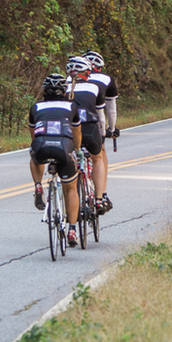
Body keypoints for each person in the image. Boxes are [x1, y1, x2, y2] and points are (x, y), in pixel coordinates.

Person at [28, 74, 82, 248]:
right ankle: (72, 229)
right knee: (71, 188)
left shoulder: (35, 107)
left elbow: (33, 134)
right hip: (64, 147)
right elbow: (77, 133)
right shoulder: (71, 106)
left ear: (44, 90)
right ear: (64, 90)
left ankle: (37, 184)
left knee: (34, 152)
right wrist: (78, 151)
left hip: (42, 145)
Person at [67, 55, 109, 224]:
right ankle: (98, 198)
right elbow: (101, 117)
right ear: (87, 72)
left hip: (70, 130)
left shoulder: (63, 87)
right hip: (90, 129)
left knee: (71, 162)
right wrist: (103, 133)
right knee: (97, 158)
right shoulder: (93, 87)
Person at [83, 49, 118, 213]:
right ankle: (101, 195)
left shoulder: (71, 79)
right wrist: (110, 130)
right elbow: (110, 111)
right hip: (94, 122)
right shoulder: (107, 79)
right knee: (100, 154)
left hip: (73, 121)